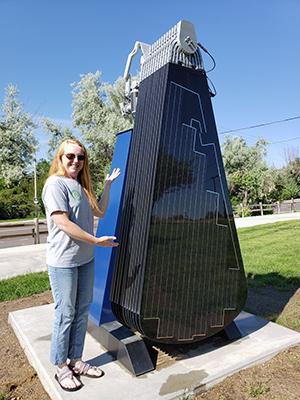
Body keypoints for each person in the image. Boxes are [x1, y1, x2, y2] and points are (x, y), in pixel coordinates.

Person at [42, 138, 120, 392]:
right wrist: (96, 240)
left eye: (81, 157)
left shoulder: (80, 186)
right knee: (66, 313)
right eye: (70, 156)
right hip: (63, 262)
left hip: (85, 260)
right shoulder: (55, 184)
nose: (76, 161)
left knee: (81, 311)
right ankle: (60, 366)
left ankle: (76, 360)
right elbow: (62, 222)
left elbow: (100, 212)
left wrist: (107, 186)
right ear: (60, 158)